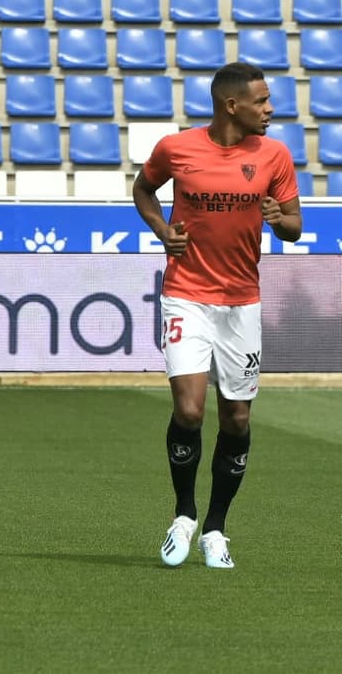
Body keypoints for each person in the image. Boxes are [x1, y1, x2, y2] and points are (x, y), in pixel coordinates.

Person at [133, 61, 301, 570]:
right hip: (186, 294)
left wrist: (280, 221)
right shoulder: (175, 148)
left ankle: (215, 528)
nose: (271, 109)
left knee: (237, 417)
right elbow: (143, 190)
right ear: (233, 105)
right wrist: (163, 231)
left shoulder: (275, 155)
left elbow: (294, 225)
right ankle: (184, 515)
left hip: (242, 303)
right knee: (188, 410)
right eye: (263, 100)